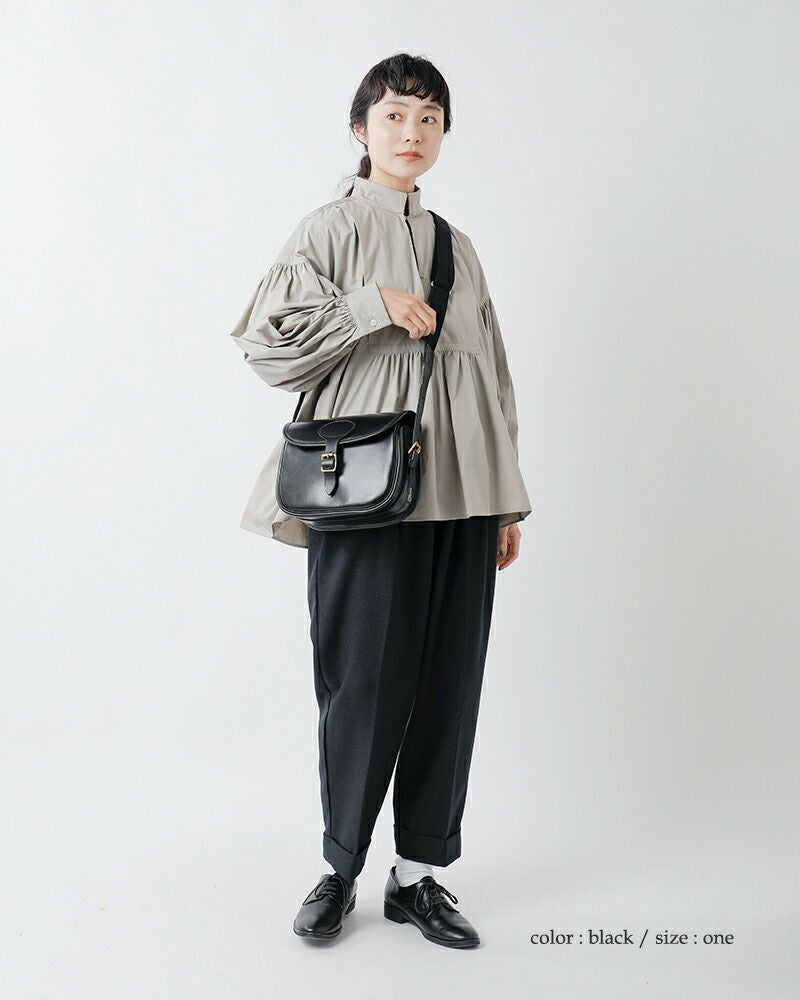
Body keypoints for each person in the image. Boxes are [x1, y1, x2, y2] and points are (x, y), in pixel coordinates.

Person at [229, 53, 532, 949]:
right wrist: (371, 306)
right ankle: (341, 868)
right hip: (363, 490)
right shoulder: (328, 229)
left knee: (449, 682)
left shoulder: (457, 247)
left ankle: (418, 876)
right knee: (361, 681)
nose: (413, 132)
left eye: (429, 118)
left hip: (463, 494)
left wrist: (505, 500)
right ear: (361, 129)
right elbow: (265, 341)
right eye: (396, 115)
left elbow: (492, 375)